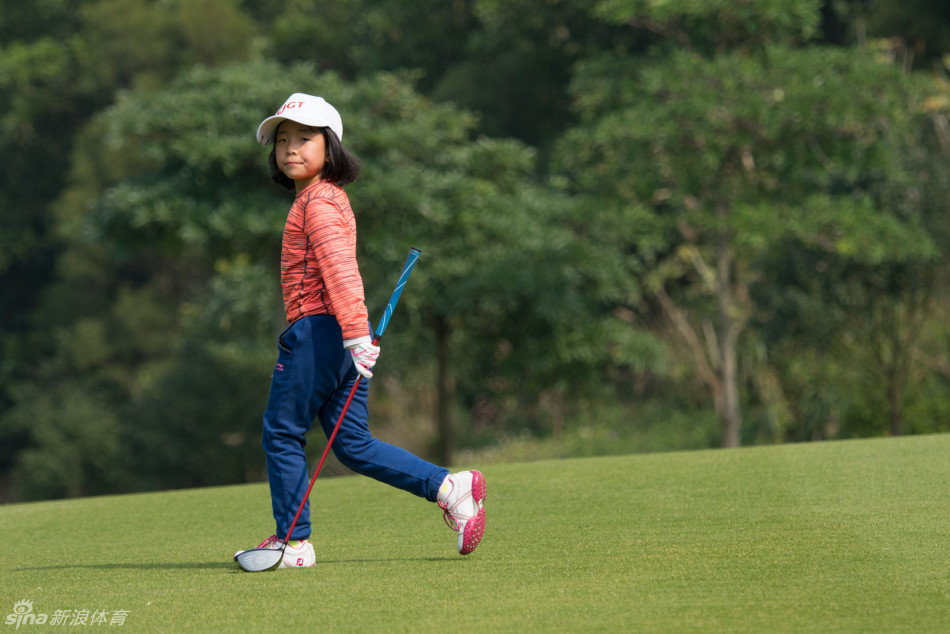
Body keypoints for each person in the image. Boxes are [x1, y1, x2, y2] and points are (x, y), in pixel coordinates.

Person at [234, 93, 486, 568]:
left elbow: (340, 270)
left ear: (329, 148)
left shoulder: (318, 203)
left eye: (304, 139)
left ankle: (293, 543)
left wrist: (352, 335)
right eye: (282, 140)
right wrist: (356, 335)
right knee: (352, 444)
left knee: (282, 433)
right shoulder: (322, 198)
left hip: (321, 333)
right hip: (343, 334)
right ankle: (450, 488)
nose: (290, 148)